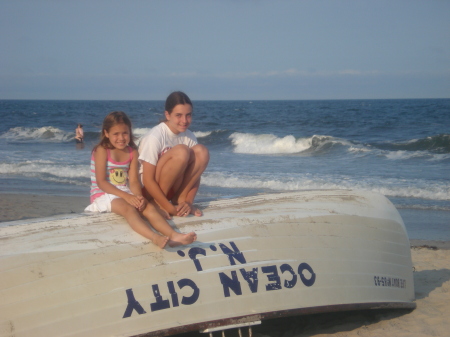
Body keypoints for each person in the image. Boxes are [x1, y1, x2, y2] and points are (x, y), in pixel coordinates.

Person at [85, 111, 197, 248]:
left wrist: (138, 196)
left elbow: (133, 181)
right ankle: (154, 237)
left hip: (124, 191)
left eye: (125, 133)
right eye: (116, 134)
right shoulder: (102, 150)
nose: (121, 138)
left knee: (148, 208)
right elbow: (101, 182)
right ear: (106, 133)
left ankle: (174, 236)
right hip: (103, 194)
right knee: (128, 209)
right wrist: (126, 197)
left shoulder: (132, 152)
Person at [139, 91, 209, 218]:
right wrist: (169, 208)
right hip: (150, 192)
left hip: (173, 190)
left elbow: (195, 173)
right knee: (182, 151)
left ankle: (181, 201)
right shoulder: (155, 136)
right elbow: (147, 180)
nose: (184, 121)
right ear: (167, 115)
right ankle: (157, 204)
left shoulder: (190, 136)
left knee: (202, 151)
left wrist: (189, 202)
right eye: (178, 115)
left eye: (188, 115)